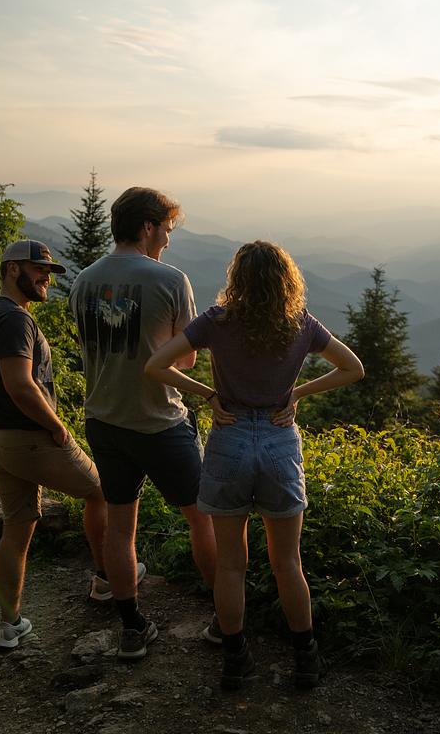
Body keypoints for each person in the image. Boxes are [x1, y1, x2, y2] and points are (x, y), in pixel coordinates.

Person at [143, 240, 364, 690]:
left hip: (230, 440)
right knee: (288, 563)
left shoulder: (218, 321)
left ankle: (235, 660)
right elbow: (353, 368)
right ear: (286, 282)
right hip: (280, 441)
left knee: (230, 565)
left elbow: (156, 365)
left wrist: (207, 395)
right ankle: (306, 660)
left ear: (237, 278)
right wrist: (297, 394)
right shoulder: (299, 323)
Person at [68, 187, 218, 661]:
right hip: (159, 420)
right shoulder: (171, 280)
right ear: (148, 226)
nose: (168, 241)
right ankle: (224, 612)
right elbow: (188, 360)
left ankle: (131, 626)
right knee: (202, 517)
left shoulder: (82, 281)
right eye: (167, 230)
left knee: (120, 525)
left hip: (103, 419)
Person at [0, 239, 110, 649]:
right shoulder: (16, 320)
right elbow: (21, 386)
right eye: (38, 270)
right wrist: (59, 428)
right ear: (12, 268)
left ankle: (9, 625)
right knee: (103, 491)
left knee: (17, 527)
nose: (45, 280)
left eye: (49, 273)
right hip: (30, 440)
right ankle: (107, 581)